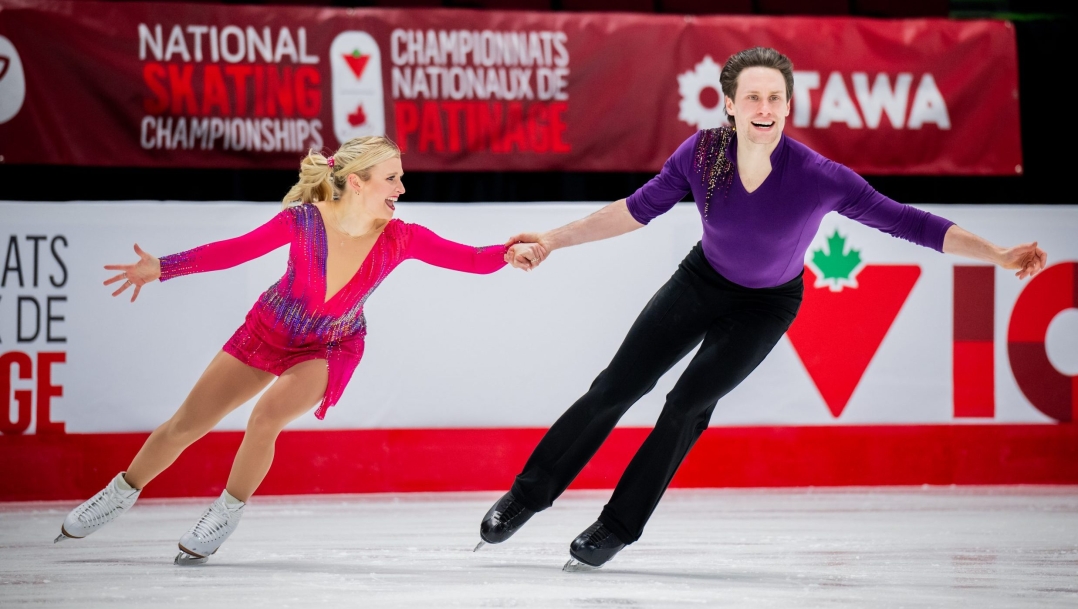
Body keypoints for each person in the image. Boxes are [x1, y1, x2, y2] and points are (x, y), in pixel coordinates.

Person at [482, 47, 1048, 570]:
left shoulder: (818, 177)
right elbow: (634, 210)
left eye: (775, 97)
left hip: (767, 307)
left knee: (685, 406)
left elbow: (907, 221)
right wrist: (552, 240)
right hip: (699, 282)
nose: (764, 107)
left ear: (788, 105)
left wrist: (997, 254)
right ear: (729, 103)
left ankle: (615, 527)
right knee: (615, 386)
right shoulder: (703, 153)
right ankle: (527, 496)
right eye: (752, 96)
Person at [56, 136, 509, 565]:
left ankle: (225, 512)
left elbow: (471, 259)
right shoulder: (304, 220)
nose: (402, 187)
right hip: (267, 332)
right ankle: (118, 493)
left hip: (331, 344)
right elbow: (233, 251)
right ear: (357, 181)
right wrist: (164, 268)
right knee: (185, 425)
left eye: (400, 177)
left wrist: (520, 249)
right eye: (391, 177)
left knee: (265, 418)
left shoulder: (401, 237)